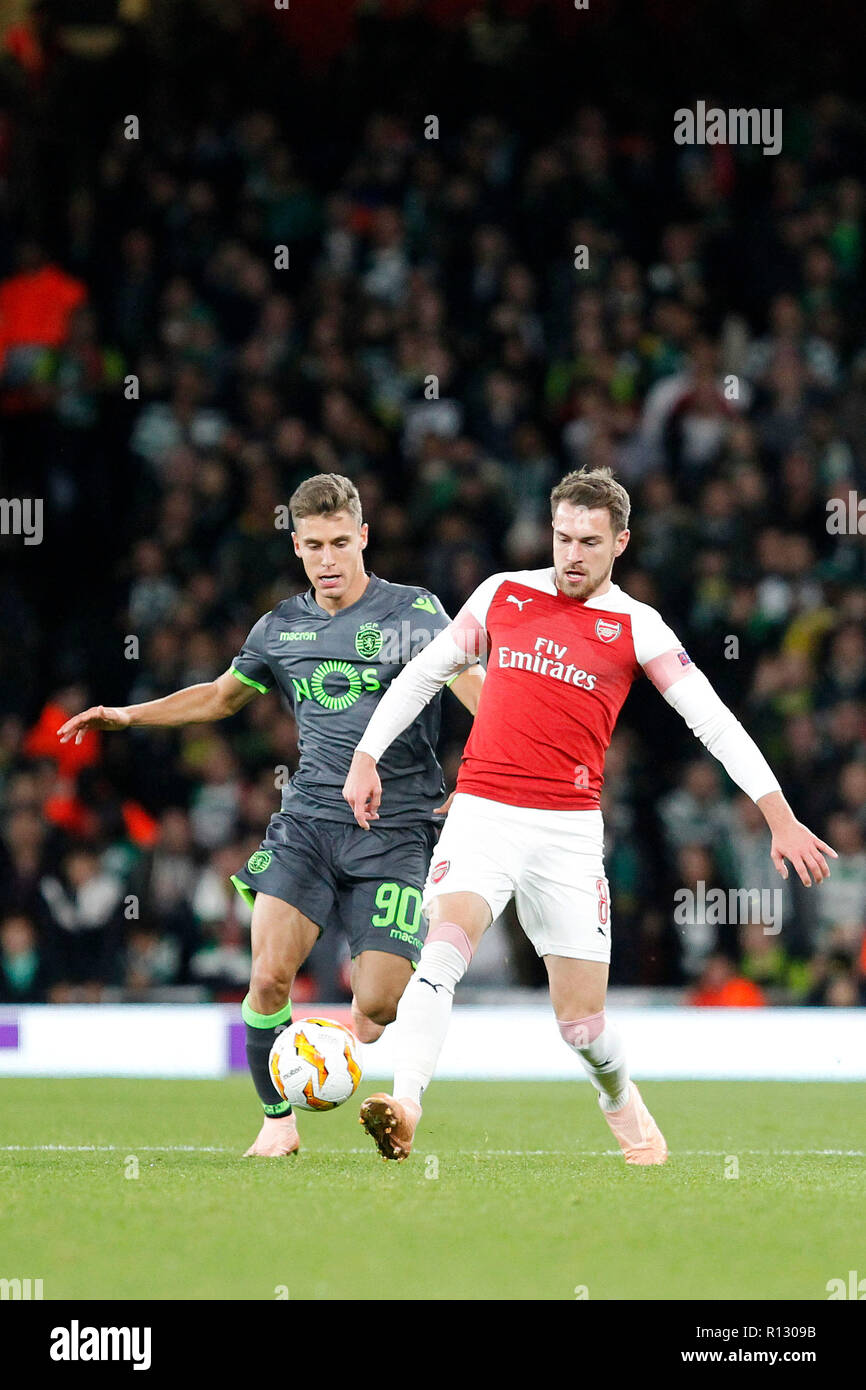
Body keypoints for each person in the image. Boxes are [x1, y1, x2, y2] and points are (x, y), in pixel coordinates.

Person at [343, 465, 838, 1166]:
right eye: (563, 537)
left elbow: (714, 723)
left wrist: (778, 815)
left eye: (589, 541)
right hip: (483, 808)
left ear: (621, 542)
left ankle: (621, 1102)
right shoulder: (502, 594)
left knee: (582, 1025)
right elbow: (426, 672)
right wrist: (366, 755)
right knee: (445, 949)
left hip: (568, 833)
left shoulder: (637, 626)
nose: (571, 554)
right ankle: (407, 1104)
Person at [58, 473, 483, 1156]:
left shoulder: (417, 614)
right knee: (267, 976)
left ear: (363, 538)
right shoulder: (280, 626)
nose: (328, 559)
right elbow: (222, 697)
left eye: (341, 542)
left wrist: (481, 775)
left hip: (398, 829)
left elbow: (481, 695)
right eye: (314, 544)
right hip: (309, 821)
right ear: (296, 546)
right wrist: (128, 715)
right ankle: (276, 1122)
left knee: (378, 1006)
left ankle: (352, 1024)